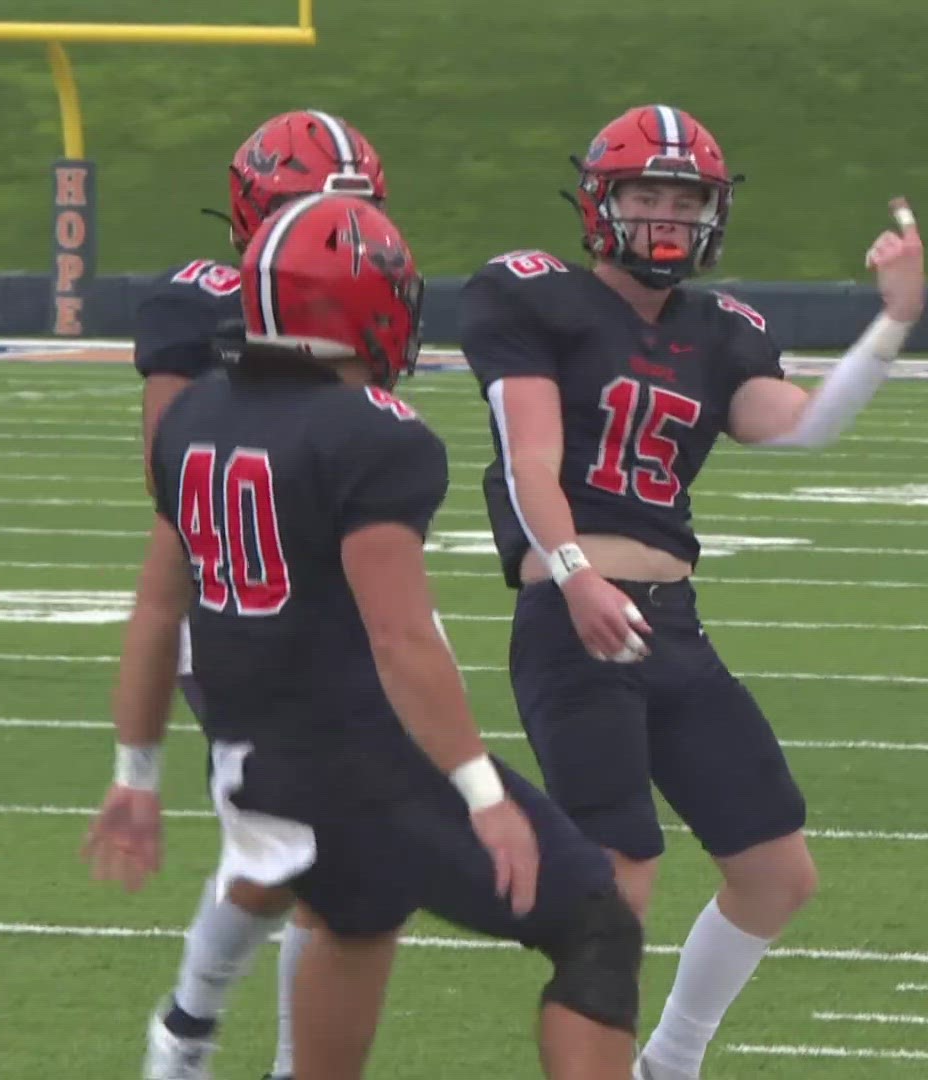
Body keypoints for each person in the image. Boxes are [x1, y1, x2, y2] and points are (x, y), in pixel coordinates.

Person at [85, 193, 643, 1080]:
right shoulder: (373, 437)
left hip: (258, 766)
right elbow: (400, 638)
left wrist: (134, 775)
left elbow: (158, 610)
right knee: (597, 930)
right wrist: (480, 792)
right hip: (366, 765)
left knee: (358, 917)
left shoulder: (193, 419)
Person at [458, 103, 925, 1080]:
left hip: (673, 622)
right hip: (574, 612)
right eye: (647, 194)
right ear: (601, 201)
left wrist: (893, 323)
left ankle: (670, 1062)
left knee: (775, 872)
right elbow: (529, 459)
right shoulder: (532, 296)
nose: (668, 215)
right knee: (621, 874)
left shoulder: (720, 330)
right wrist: (579, 575)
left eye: (687, 197)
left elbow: (801, 426)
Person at [129, 108, 388, 1080]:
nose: (330, 225)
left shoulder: (364, 291)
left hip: (339, 607)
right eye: (309, 204)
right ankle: (199, 1031)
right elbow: (169, 478)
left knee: (308, 867)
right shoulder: (200, 304)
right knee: (313, 864)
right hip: (243, 610)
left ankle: (196, 1028)